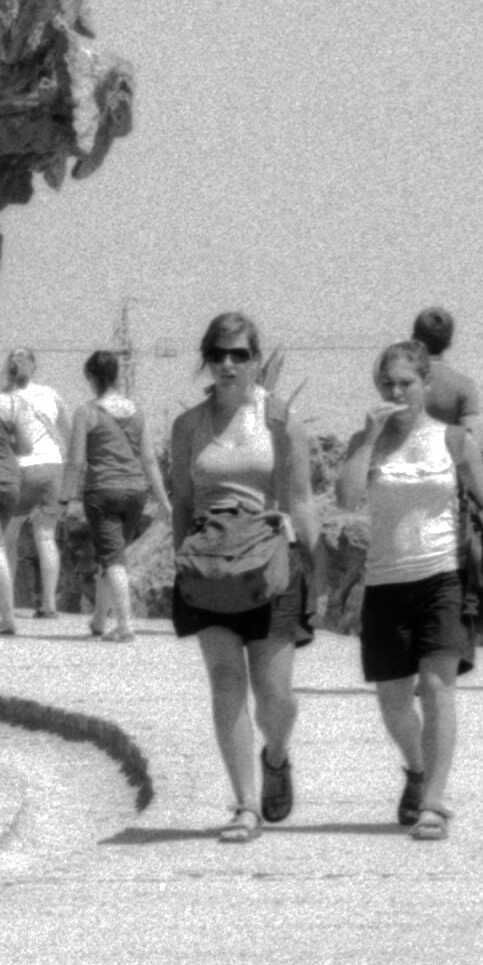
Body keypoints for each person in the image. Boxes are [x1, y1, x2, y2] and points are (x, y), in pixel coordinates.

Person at [159, 312, 315, 841]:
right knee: (226, 681)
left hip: (270, 565)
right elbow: (181, 502)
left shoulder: (279, 421)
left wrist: (310, 559)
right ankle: (246, 805)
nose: (229, 364)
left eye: (241, 354)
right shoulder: (188, 427)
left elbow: (300, 497)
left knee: (276, 696)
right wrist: (182, 562)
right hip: (209, 566)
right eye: (219, 354)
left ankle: (276, 755)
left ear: (254, 360)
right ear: (207, 358)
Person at [352, 341, 474, 841]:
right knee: (394, 702)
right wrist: (368, 436)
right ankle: (418, 768)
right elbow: (343, 494)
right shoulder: (371, 440)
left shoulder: (453, 440)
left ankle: (434, 803)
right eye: (388, 384)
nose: (397, 392)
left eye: (406, 383)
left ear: (426, 384)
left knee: (439, 686)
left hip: (441, 577)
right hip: (385, 583)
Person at [68, 349, 155, 642]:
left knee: (113, 558)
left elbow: (77, 461)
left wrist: (65, 498)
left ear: (90, 377)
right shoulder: (136, 411)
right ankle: (97, 621)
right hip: (135, 491)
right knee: (112, 555)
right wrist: (163, 500)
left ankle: (126, 625)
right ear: (117, 375)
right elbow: (149, 460)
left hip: (102, 490)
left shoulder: (86, 412)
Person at [0, 349, 71, 628]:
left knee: (9, 536)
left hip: (20, 468)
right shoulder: (52, 394)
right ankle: (49, 604)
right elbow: (66, 432)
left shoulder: (2, 398)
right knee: (46, 537)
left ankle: (3, 602)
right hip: (51, 467)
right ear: (34, 366)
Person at [408, 303, 479, 426]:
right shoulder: (464, 385)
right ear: (449, 344)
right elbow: (472, 437)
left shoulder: (398, 383)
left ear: (414, 339)